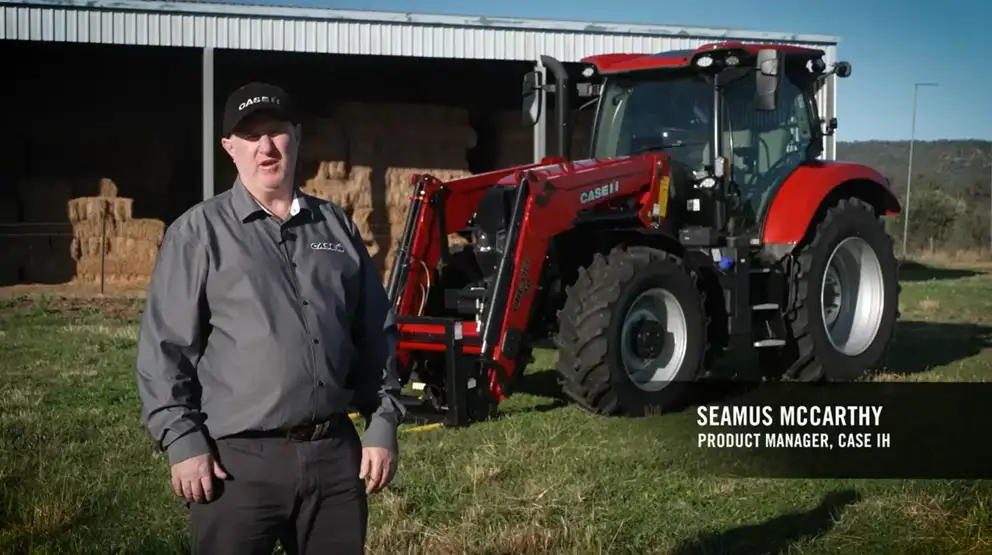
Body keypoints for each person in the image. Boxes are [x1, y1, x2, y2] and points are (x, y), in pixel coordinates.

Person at [134, 81, 406, 555]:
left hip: (333, 459)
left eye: (276, 131)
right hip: (236, 465)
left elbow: (375, 333)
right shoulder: (198, 233)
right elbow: (164, 350)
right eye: (250, 135)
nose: (265, 146)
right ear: (229, 148)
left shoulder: (334, 225)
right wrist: (183, 440)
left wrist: (382, 423)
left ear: (296, 137)